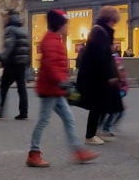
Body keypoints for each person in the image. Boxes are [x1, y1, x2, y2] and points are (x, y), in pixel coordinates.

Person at [26, 9, 99, 167]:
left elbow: (55, 65)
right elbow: (51, 66)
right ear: (60, 24)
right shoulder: (51, 41)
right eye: (66, 23)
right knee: (44, 120)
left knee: (68, 119)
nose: (68, 27)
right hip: (50, 89)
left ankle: (78, 150)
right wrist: (63, 81)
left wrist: (63, 82)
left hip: (55, 89)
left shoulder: (54, 39)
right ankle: (34, 153)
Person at [76, 6, 121, 145]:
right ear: (110, 20)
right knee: (97, 105)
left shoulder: (101, 31)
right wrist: (110, 75)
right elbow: (101, 56)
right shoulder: (100, 31)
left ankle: (98, 131)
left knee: (104, 103)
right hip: (95, 76)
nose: (114, 24)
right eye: (114, 21)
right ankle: (90, 135)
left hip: (98, 75)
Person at [0, 11, 30, 120]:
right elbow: (27, 48)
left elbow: (9, 47)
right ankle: (24, 112)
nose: (4, 19)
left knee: (3, 87)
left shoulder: (9, 29)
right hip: (21, 63)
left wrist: (2, 58)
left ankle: (0, 111)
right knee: (22, 88)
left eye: (5, 17)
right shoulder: (23, 30)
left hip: (12, 63)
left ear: (9, 17)